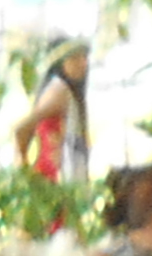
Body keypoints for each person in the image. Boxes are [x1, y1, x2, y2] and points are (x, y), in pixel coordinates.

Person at [14, 40, 93, 189]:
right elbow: (22, 129)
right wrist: (25, 173)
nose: (83, 64)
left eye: (84, 58)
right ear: (60, 64)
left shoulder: (68, 94)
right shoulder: (59, 91)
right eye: (74, 58)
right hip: (53, 185)